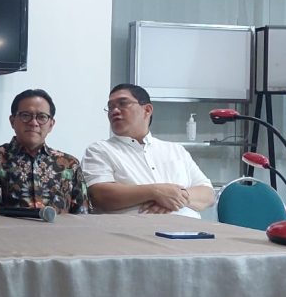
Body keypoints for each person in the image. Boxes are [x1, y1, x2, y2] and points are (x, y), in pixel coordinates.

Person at [82, 84, 214, 218]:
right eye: (110, 107)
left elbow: (208, 194)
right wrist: (155, 192)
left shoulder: (175, 150)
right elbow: (99, 196)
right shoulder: (99, 150)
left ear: (147, 110)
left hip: (190, 232)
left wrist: (176, 196)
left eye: (123, 103)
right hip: (133, 234)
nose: (114, 111)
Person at [0, 89, 86, 215]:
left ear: (51, 125)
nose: (33, 123)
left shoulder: (70, 165)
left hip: (60, 234)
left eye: (42, 117)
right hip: (8, 234)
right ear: (12, 121)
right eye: (25, 115)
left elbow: (82, 217)